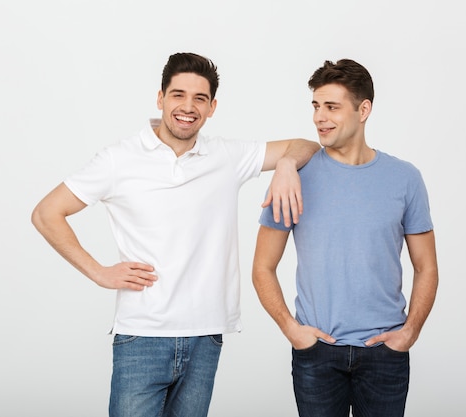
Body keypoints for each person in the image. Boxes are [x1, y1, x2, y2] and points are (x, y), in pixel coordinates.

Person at [31, 52, 320, 417]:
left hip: (207, 334)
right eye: (178, 95)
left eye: (200, 98)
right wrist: (99, 272)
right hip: (142, 335)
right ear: (160, 98)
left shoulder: (227, 156)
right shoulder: (119, 159)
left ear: (212, 107)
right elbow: (46, 213)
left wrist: (286, 166)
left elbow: (306, 146)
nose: (188, 107)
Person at [252, 59, 439, 417]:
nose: (320, 117)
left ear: (363, 109)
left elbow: (426, 266)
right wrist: (293, 330)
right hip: (317, 352)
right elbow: (262, 267)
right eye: (316, 106)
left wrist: (409, 333)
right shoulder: (294, 177)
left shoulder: (404, 178)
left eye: (332, 107)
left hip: (385, 353)